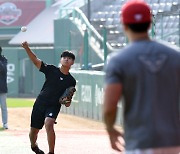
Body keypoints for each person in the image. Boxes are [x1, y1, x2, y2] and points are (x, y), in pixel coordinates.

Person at [103, 0, 180, 154]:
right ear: (150, 23)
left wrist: (110, 129)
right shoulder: (175, 56)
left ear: (124, 25)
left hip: (139, 142)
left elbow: (110, 106)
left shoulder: (118, 60)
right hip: (173, 142)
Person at [21, 41, 76, 154]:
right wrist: (26, 48)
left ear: (72, 62)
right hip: (40, 102)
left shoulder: (71, 81)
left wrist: (67, 101)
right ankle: (34, 146)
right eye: (64, 57)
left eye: (69, 58)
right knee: (33, 132)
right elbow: (35, 60)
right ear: (60, 59)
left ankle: (51, 152)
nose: (66, 59)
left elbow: (68, 102)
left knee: (49, 123)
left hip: (53, 105)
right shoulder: (51, 69)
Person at [0, 46, 8, 130]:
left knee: (3, 106)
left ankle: (5, 123)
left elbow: (3, 69)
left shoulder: (3, 59)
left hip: (2, 88)